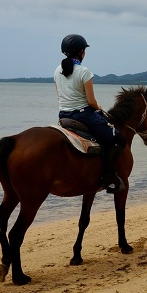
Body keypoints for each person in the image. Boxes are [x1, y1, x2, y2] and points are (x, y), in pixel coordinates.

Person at [54, 34, 126, 193]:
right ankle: (106, 176)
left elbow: (60, 95)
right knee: (119, 139)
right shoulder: (84, 71)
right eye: (84, 50)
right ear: (81, 52)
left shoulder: (57, 70)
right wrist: (99, 108)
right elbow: (91, 102)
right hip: (83, 115)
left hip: (63, 116)